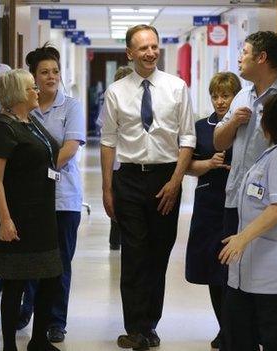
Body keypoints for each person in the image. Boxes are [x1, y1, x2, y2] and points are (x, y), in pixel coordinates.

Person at [100, 25, 196, 350]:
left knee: (158, 255)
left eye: (154, 46)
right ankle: (136, 328)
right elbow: (108, 142)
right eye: (143, 48)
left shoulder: (176, 88)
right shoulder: (116, 92)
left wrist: (175, 181)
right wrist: (106, 189)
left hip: (165, 178)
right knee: (134, 255)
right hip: (128, 179)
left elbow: (188, 139)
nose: (150, 53)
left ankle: (150, 324)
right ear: (129, 53)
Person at [213, 31, 277, 273]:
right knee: (233, 274)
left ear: (261, 58)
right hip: (236, 199)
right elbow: (219, 143)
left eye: (245, 53)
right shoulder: (242, 96)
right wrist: (231, 123)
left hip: (271, 206)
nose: (240, 58)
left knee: (266, 276)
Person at [218, 93, 277, 351]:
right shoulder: (272, 154)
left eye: (262, 116)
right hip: (257, 263)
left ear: (274, 122)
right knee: (240, 331)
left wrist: (242, 238)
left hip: (275, 268)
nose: (259, 121)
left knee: (276, 337)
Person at [0, 68, 62, 351]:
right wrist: (5, 220)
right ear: (17, 94)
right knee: (15, 283)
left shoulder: (29, 121)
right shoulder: (1, 127)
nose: (37, 91)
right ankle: (9, 346)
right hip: (16, 215)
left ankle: (38, 339)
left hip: (40, 215)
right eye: (32, 88)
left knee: (52, 276)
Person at [15, 43, 86, 343]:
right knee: (31, 258)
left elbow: (69, 149)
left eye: (55, 71)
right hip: (32, 200)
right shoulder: (23, 109)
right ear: (33, 77)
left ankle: (56, 320)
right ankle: (27, 307)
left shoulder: (71, 106)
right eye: (44, 72)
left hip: (64, 199)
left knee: (59, 262)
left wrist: (35, 171)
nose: (51, 76)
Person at [184, 72, 241, 350]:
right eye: (216, 96)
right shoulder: (200, 127)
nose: (220, 101)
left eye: (226, 96)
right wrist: (208, 164)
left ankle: (235, 329)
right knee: (212, 270)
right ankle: (224, 328)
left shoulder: (246, 126)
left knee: (232, 271)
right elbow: (187, 166)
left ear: (236, 97)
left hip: (239, 206)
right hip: (208, 204)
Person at [95, 65, 134, 251]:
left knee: (124, 204)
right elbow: (105, 133)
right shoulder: (111, 102)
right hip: (117, 162)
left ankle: (121, 239)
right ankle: (116, 239)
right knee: (116, 202)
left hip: (128, 162)